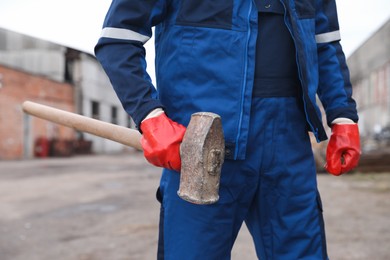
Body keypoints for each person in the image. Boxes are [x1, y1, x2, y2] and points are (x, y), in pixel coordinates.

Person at [95, 0, 361, 259]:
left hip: (288, 144)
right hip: (202, 145)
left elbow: (325, 44)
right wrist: (150, 116)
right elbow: (117, 40)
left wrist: (343, 117)